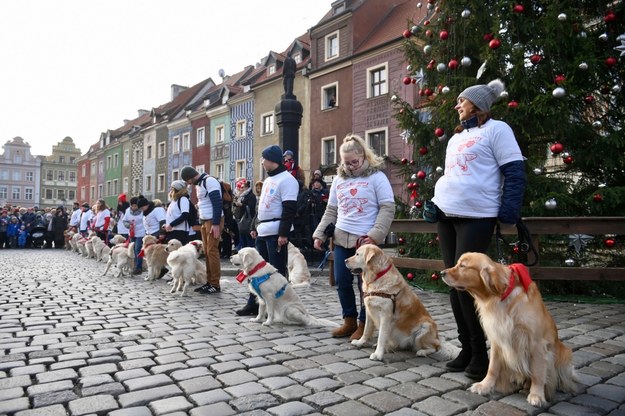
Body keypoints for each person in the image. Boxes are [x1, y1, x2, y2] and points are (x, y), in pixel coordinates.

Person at [431, 79, 526, 380]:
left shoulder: (498, 130)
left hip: (478, 214)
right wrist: (435, 201)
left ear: (477, 105)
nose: (457, 105)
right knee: (453, 281)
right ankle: (467, 348)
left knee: (468, 285)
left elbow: (514, 170)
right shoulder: (456, 137)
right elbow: (451, 176)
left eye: (462, 100)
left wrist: (509, 209)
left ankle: (482, 353)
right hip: (447, 214)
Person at [312, 134, 395, 340]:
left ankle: (364, 324)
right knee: (341, 280)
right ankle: (348, 320)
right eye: (346, 163)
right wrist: (320, 234)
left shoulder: (377, 177)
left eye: (354, 162)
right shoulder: (339, 180)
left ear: (364, 156)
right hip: (342, 237)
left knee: (366, 285)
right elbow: (331, 210)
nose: (350, 166)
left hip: (365, 242)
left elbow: (387, 208)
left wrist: (375, 235)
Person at [236, 144, 299, 316]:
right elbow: (261, 206)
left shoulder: (287, 180)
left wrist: (283, 233)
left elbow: (289, 208)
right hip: (263, 230)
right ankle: (254, 303)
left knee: (275, 271)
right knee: (255, 269)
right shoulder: (268, 180)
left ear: (273, 160)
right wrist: (254, 225)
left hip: (275, 231)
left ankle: (280, 306)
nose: (262, 162)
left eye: (264, 159)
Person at [180, 166, 223, 295]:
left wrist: (216, 223)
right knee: (207, 252)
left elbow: (217, 202)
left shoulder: (209, 181)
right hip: (205, 221)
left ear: (191, 177)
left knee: (212, 251)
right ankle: (209, 282)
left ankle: (215, 283)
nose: (188, 184)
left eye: (188, 181)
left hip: (213, 221)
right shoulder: (199, 184)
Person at [123, 196, 147, 275]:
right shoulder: (127, 211)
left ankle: (138, 267)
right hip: (132, 232)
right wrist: (128, 225)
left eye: (135, 206)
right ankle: (134, 265)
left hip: (141, 232)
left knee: (138, 249)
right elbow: (125, 220)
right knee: (133, 249)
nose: (133, 207)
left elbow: (145, 220)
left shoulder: (142, 211)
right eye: (132, 206)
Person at [164, 180, 192, 245]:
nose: (170, 190)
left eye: (172, 188)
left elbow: (185, 215)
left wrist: (171, 224)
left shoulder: (183, 199)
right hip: (172, 230)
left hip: (180, 231)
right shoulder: (174, 201)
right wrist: (167, 224)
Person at [233, 179, 257, 250]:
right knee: (242, 239)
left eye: (242, 187)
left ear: (247, 187)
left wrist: (241, 204)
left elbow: (251, 207)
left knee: (249, 240)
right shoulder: (242, 195)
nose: (241, 188)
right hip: (241, 220)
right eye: (240, 187)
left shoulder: (251, 196)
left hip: (248, 220)